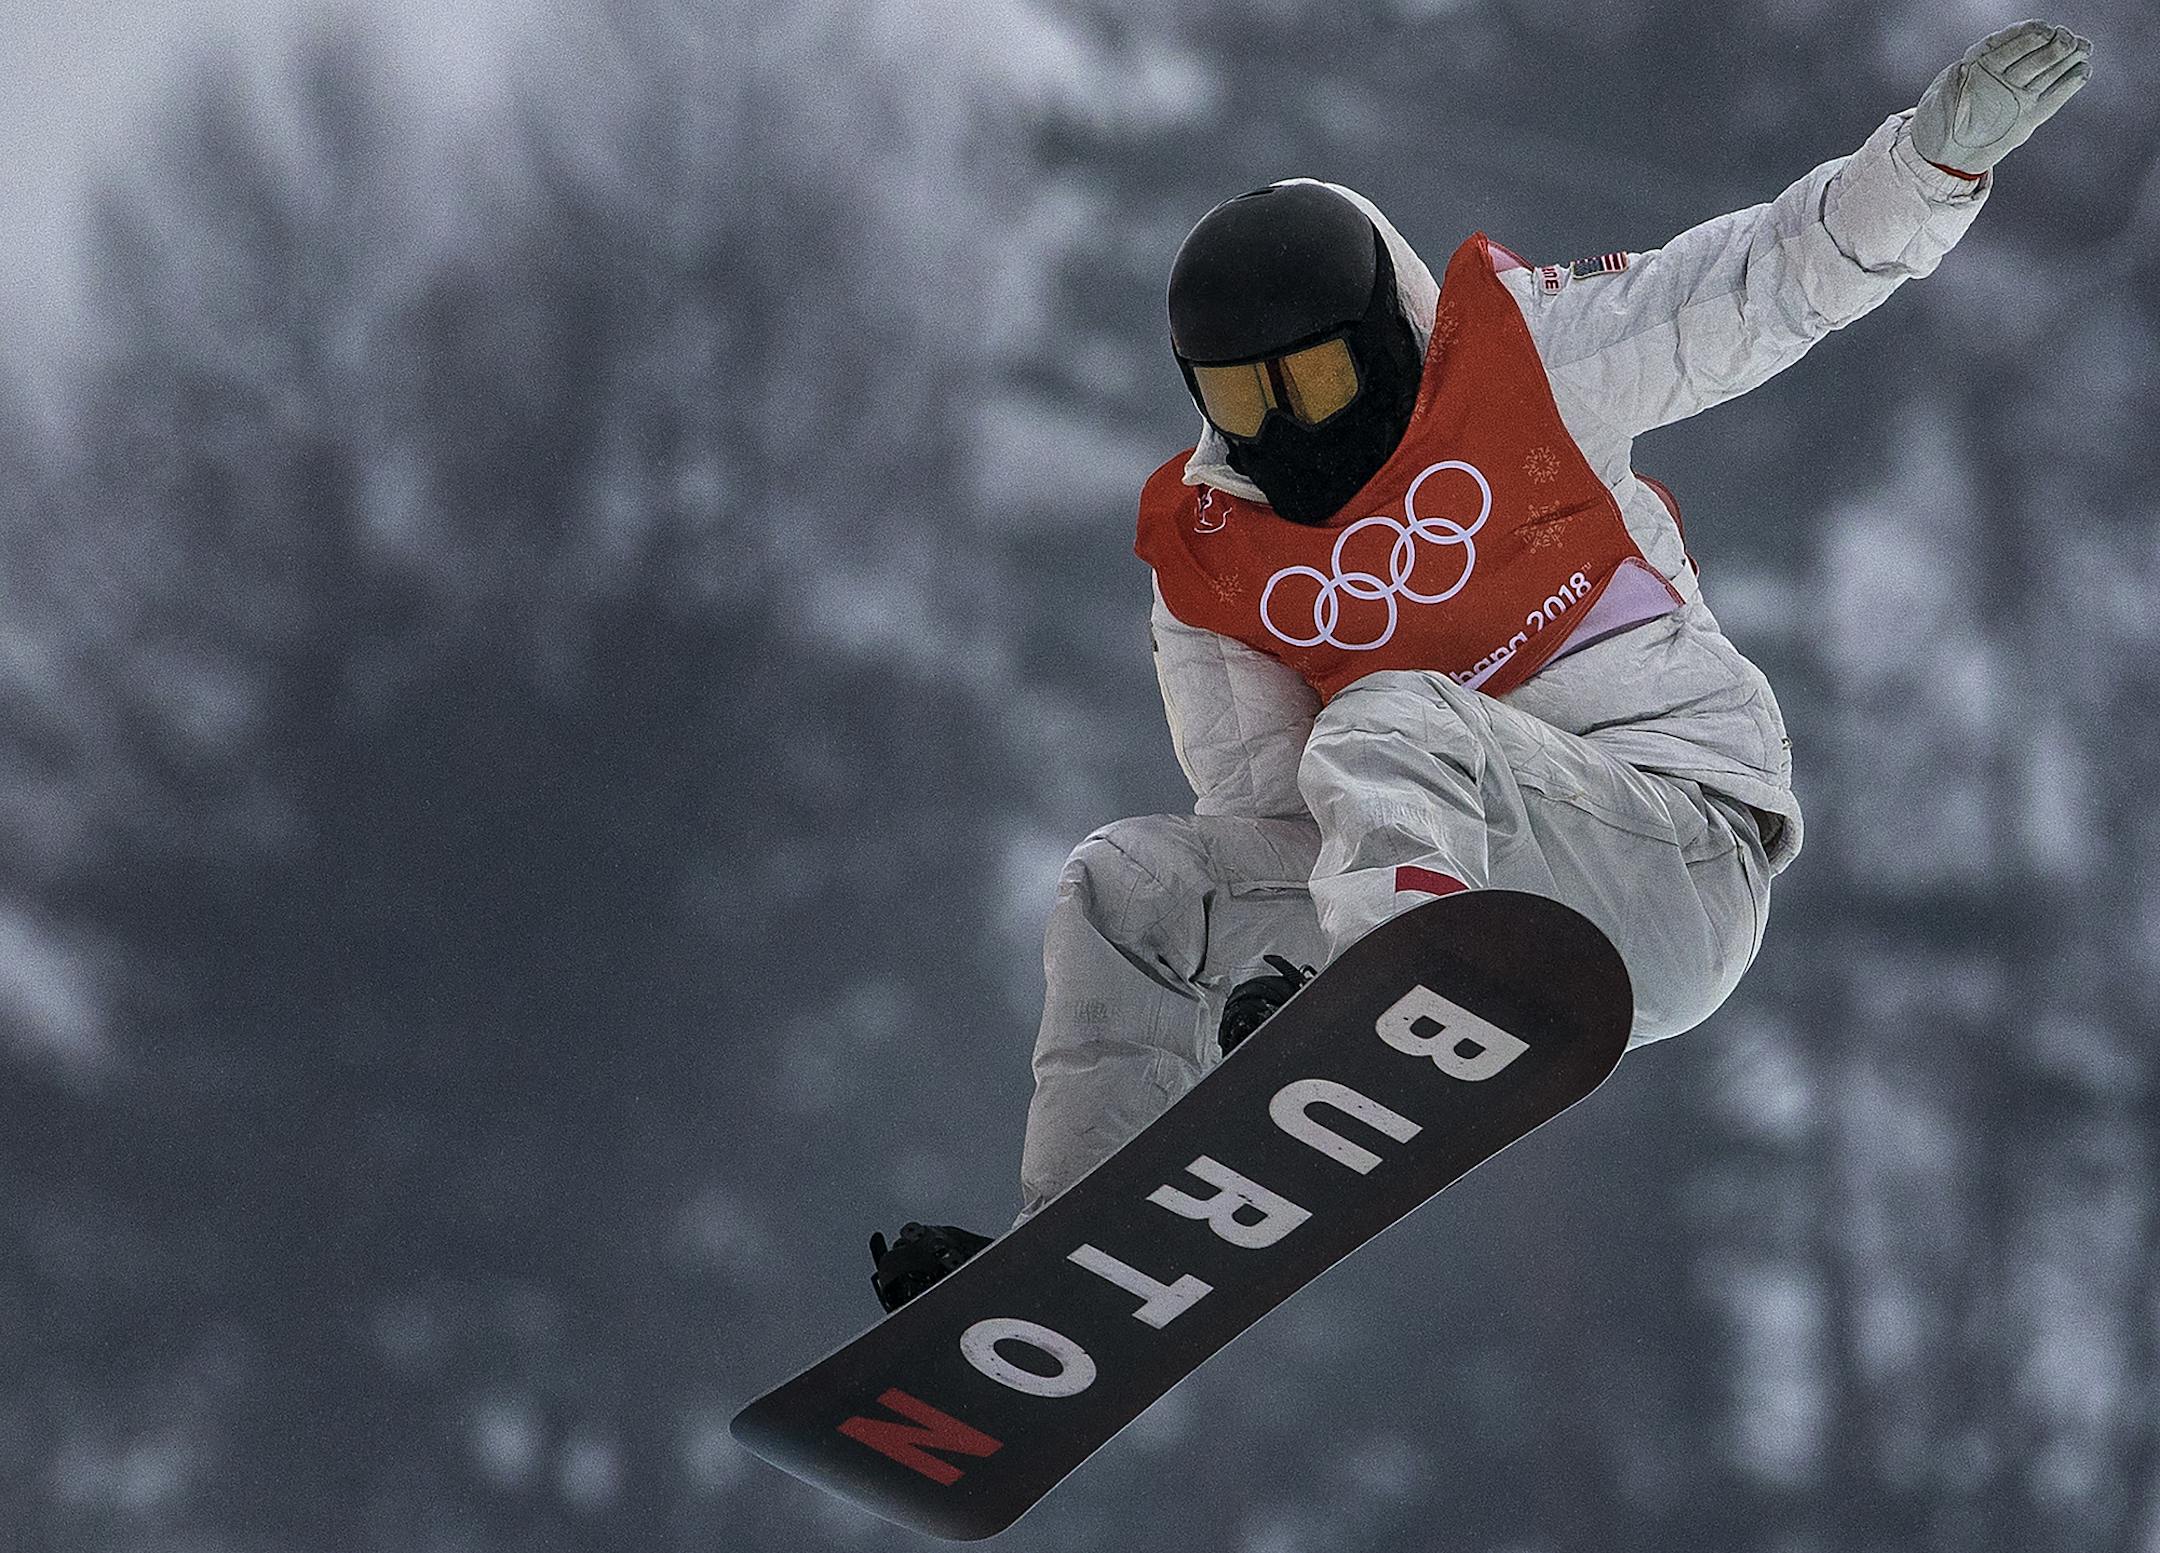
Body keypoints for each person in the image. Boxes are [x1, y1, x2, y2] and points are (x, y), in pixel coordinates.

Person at [868, 19, 2094, 1312]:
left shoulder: (1525, 365)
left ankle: (1379, 1013)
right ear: (1196, 394)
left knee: (1387, 721)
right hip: (1466, 892)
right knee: (1131, 886)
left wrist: (1926, 172)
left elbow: (1755, 281)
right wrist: (1247, 1006)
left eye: (1320, 376)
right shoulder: (1217, 567)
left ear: (1382, 335)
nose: (1288, 421)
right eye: (1242, 398)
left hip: (1677, 850)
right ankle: (1067, 1250)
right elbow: (1275, 827)